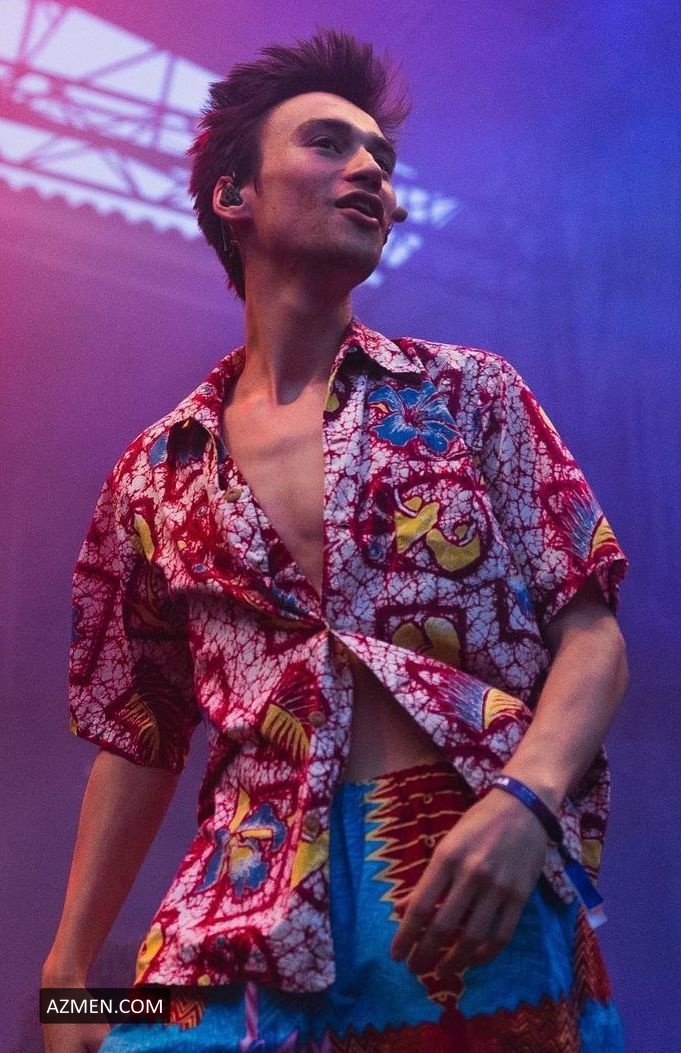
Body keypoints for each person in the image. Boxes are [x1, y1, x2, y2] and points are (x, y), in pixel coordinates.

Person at [42, 29, 629, 1053]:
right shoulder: (154, 470)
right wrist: (65, 978)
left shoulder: (469, 394)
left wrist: (526, 803)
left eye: (382, 159)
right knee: (123, 1031)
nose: (371, 171)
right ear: (234, 195)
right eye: (328, 143)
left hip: (460, 877)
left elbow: (592, 633)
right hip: (237, 895)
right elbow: (139, 732)